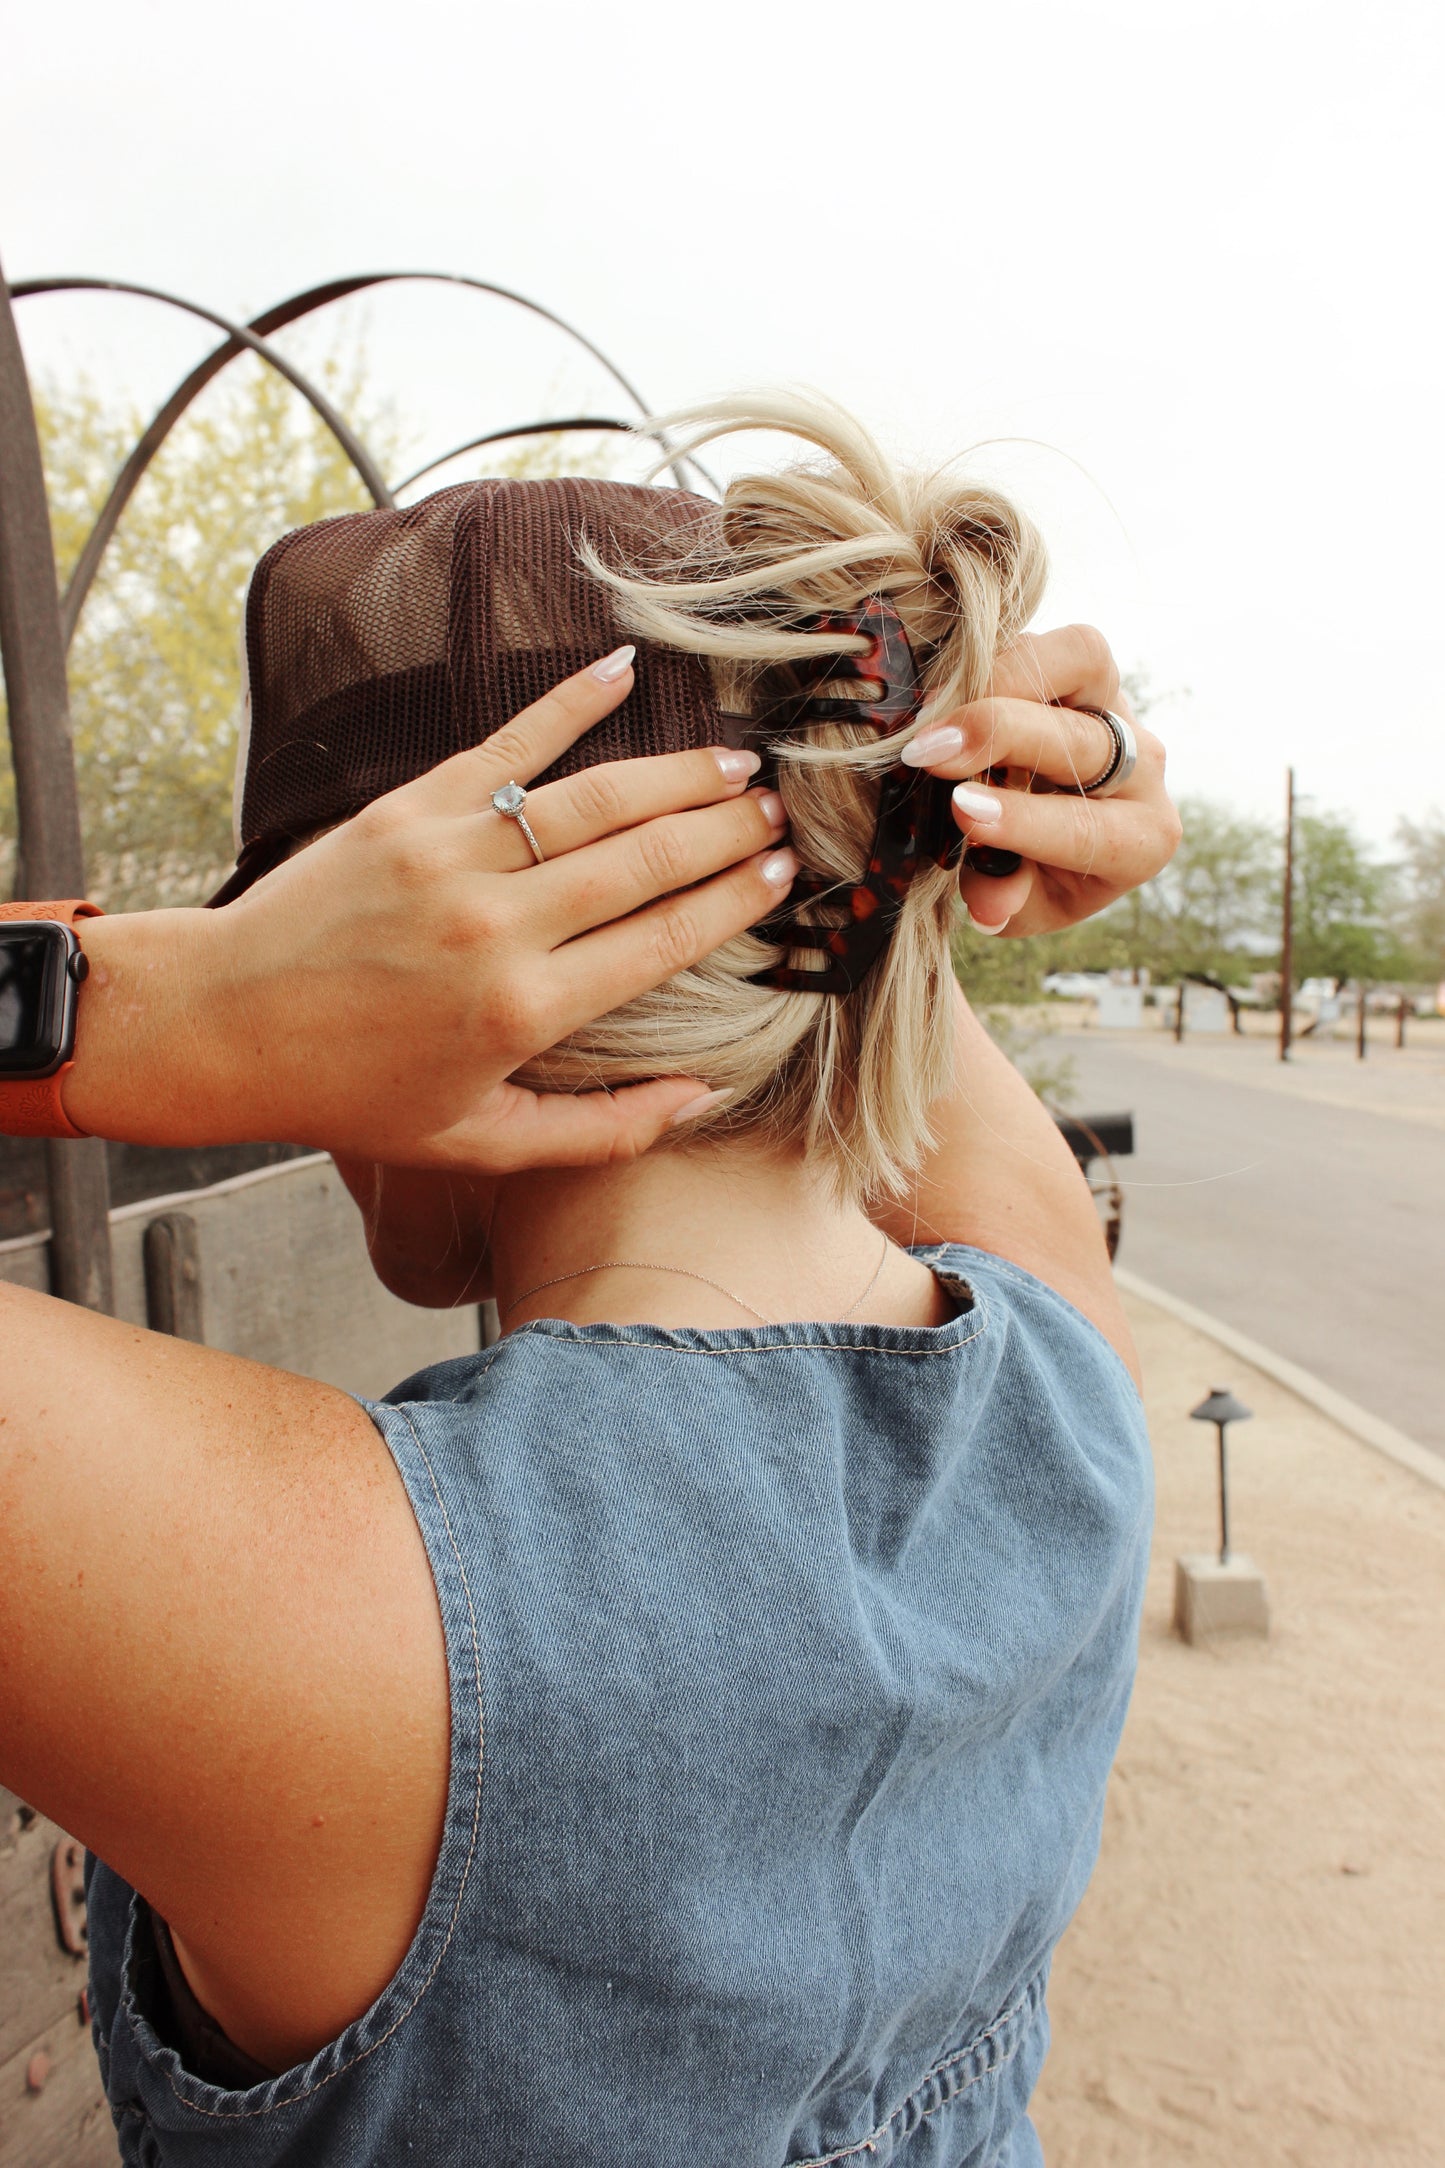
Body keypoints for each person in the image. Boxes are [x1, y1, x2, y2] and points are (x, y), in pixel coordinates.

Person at [0, 393, 1179, 2167]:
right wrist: (928, 799)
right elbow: (859, 954)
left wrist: (146, 1012)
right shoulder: (1063, 1386)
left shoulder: (334, 1629)